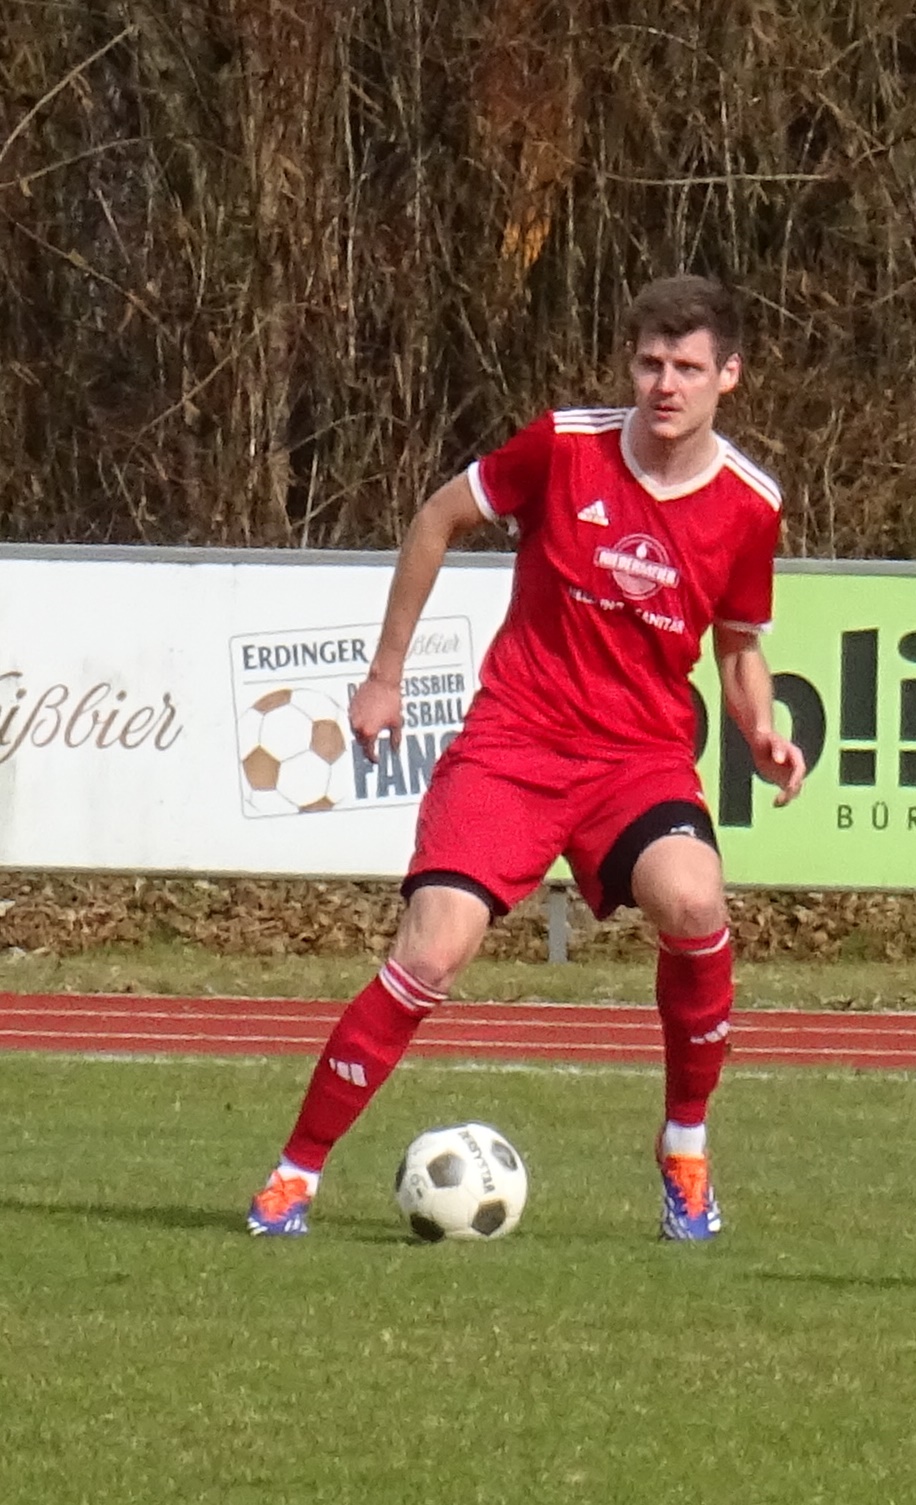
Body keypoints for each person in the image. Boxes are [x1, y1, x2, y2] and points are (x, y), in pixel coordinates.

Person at [246, 274, 805, 1242]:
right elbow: (437, 518)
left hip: (637, 758)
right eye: (650, 363)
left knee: (695, 903)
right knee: (433, 949)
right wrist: (385, 676)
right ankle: (294, 1173)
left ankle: (684, 1145)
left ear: (730, 374)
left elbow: (738, 645)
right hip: (515, 741)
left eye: (686, 367)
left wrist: (759, 726)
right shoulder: (565, 445)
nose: (664, 384)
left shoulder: (750, 505)